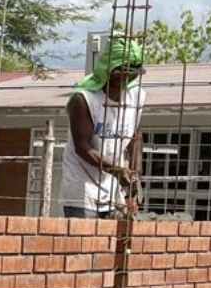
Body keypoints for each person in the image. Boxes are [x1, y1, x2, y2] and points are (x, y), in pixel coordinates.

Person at [61, 34, 147, 218]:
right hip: (82, 185)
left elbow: (135, 136)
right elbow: (83, 148)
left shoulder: (136, 97)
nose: (124, 78)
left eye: (130, 73)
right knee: (84, 243)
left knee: (111, 243)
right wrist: (117, 169)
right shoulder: (84, 99)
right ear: (107, 70)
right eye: (119, 72)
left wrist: (134, 171)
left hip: (112, 186)